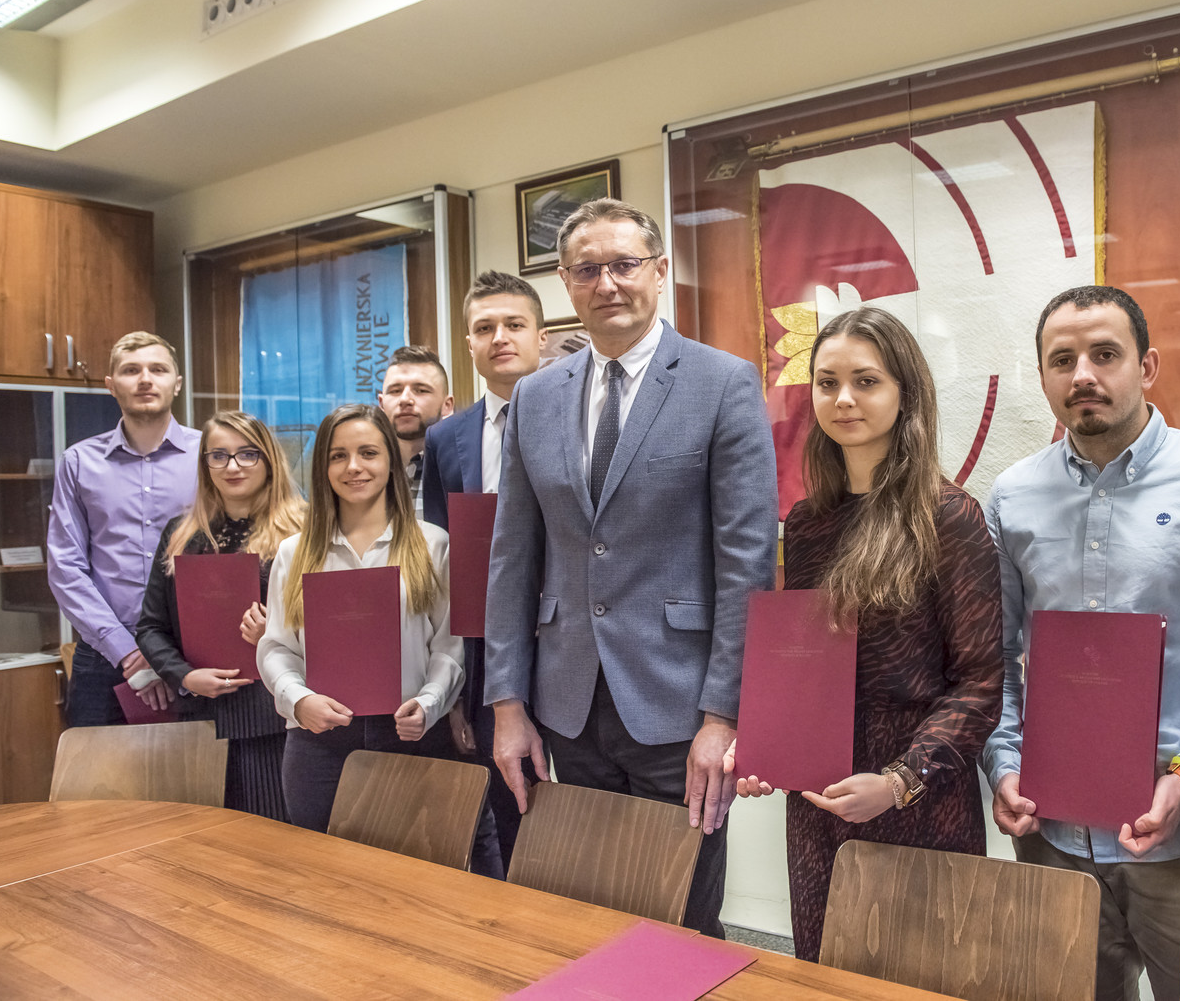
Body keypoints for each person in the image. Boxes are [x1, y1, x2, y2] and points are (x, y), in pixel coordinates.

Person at [484, 198, 777, 938]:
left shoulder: (722, 382)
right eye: (587, 270)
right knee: (591, 909)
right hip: (567, 705)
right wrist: (508, 705)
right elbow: (512, 558)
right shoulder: (535, 397)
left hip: (679, 707)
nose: (607, 283)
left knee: (682, 917)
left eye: (624, 264)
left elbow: (746, 564)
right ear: (565, 281)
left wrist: (725, 717)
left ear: (660, 270)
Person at [983, 287, 1180, 1001]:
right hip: (1051, 834)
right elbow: (994, 659)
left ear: (1146, 366)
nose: (1083, 375)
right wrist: (1003, 764)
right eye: (1062, 360)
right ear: (1043, 376)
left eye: (1104, 354)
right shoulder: (1011, 496)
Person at [728, 306, 1003, 962]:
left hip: (917, 793)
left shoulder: (949, 516)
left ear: (905, 391)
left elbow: (980, 683)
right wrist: (764, 747)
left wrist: (900, 779)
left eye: (866, 381)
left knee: (921, 972)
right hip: (818, 795)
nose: (844, 398)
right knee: (824, 966)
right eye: (827, 383)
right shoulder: (807, 523)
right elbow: (800, 668)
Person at [257, 403, 464, 833]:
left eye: (368, 453)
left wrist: (429, 703)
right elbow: (277, 648)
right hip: (319, 743)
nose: (354, 467)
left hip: (411, 735)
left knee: (417, 865)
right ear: (323, 467)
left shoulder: (433, 545)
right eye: (338, 456)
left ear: (391, 460)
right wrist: (298, 700)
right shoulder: (294, 553)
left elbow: (449, 646)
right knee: (323, 867)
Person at [421, 270, 549, 874]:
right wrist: (453, 692)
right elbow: (440, 564)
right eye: (484, 328)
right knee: (511, 811)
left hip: (574, 644)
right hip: (487, 658)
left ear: (541, 337)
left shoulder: (586, 416)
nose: (500, 337)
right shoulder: (445, 438)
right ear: (469, 344)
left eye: (514, 324)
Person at [135, 411, 306, 820]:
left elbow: (336, 627)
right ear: (205, 465)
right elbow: (151, 627)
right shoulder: (180, 533)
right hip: (201, 719)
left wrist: (275, 634)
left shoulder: (305, 529)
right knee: (207, 840)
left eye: (247, 454)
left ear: (268, 460)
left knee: (275, 839)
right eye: (219, 456)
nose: (232, 467)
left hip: (276, 715)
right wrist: (184, 677)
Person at [47, 331, 201, 726]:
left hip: (192, 655)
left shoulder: (211, 457)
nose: (145, 379)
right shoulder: (78, 462)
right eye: (131, 371)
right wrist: (128, 652)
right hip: (104, 657)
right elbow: (65, 566)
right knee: (96, 766)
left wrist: (163, 655)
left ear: (177, 383)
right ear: (111, 385)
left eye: (158, 369)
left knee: (199, 766)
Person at [377, 345, 453, 514]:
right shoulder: (365, 470)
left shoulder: (462, 468)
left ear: (447, 405)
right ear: (381, 404)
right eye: (395, 391)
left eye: (421, 390)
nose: (405, 399)